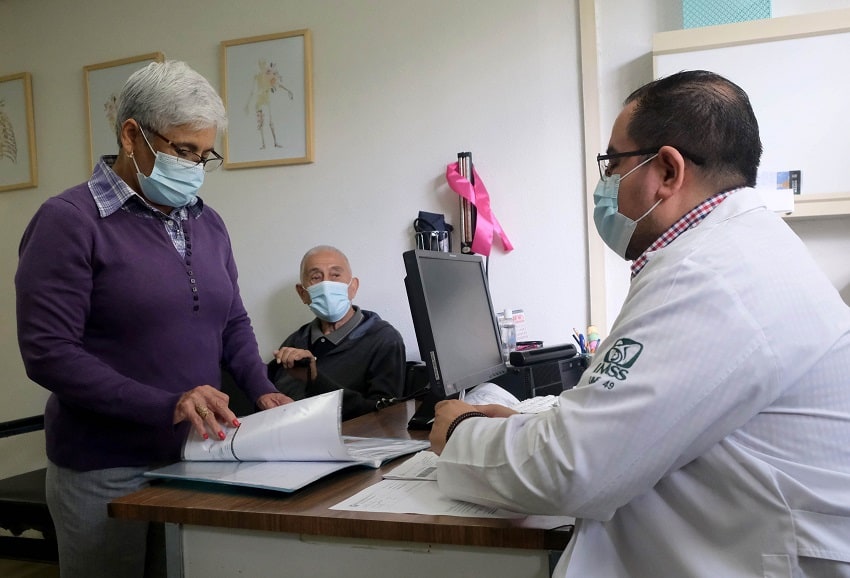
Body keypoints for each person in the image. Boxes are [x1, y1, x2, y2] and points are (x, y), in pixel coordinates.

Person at [429, 70, 850, 577]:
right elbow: (621, 426)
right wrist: (532, 427)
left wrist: (461, 432)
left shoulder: (709, 275)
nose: (606, 184)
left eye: (613, 163)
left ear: (667, 171)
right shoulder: (742, 249)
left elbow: (569, 471)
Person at [15, 60, 292, 578]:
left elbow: (230, 318)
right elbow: (48, 352)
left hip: (194, 456)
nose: (193, 165)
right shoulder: (69, 222)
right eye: (183, 150)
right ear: (131, 134)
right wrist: (167, 404)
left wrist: (262, 389)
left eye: (204, 154)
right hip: (103, 466)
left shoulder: (207, 221)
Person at [272, 245, 406, 420]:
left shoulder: (384, 340)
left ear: (353, 287)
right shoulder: (295, 341)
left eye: (335, 275)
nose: (327, 284)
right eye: (316, 277)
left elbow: (386, 415)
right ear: (302, 293)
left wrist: (315, 380)